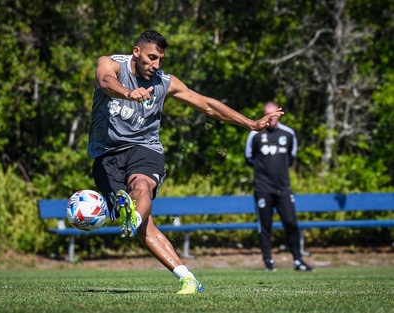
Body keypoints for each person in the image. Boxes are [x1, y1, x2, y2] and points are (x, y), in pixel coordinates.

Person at [88, 30, 284, 294]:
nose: (156, 65)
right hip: (106, 154)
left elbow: (208, 105)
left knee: (141, 186)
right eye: (151, 57)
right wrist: (127, 93)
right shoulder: (110, 63)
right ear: (137, 52)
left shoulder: (164, 82)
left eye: (161, 60)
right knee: (144, 226)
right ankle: (187, 277)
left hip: (145, 148)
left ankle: (132, 216)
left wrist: (251, 123)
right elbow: (105, 81)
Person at [245, 101, 314, 272]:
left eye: (274, 113)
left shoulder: (289, 134)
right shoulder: (255, 135)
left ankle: (298, 261)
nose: (271, 117)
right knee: (265, 226)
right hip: (263, 188)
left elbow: (291, 157)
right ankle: (268, 262)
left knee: (291, 223)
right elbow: (249, 157)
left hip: (283, 188)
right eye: (267, 113)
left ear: (279, 114)